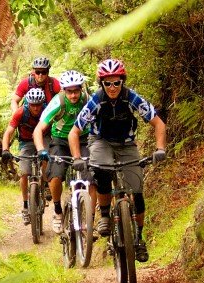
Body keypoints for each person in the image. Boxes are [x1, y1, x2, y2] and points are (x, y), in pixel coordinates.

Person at [68, 59, 167, 263]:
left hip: (127, 144)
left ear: (122, 81)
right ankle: (104, 216)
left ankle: (138, 239)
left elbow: (158, 123)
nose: (112, 88)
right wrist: (77, 158)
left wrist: (160, 149)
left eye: (116, 83)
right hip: (101, 141)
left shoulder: (132, 98)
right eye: (107, 83)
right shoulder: (96, 100)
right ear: (101, 84)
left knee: (137, 191)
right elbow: (74, 132)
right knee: (102, 171)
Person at [33, 70, 96, 233]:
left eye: (76, 91)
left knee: (92, 176)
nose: (73, 95)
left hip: (82, 139)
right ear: (64, 90)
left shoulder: (88, 100)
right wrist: (41, 149)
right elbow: (38, 129)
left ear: (81, 89)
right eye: (70, 91)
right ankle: (58, 212)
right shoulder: (58, 102)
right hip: (60, 141)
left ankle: (91, 218)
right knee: (55, 175)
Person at [1, 88, 51, 224]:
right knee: (24, 173)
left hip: (44, 138)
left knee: (47, 156)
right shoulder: (20, 112)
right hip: (26, 142)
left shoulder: (47, 110)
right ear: (28, 103)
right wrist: (5, 149)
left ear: (43, 104)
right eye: (33, 105)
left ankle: (45, 182)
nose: (35, 108)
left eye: (38, 104)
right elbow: (8, 132)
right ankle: (25, 206)